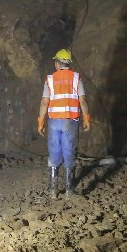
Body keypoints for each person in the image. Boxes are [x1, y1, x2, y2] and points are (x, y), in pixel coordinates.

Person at [37, 49, 91, 198]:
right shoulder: (76, 79)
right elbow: (83, 101)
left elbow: (44, 102)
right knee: (69, 152)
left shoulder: (50, 79)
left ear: (57, 63)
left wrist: (41, 122)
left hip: (54, 122)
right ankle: (69, 191)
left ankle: (53, 191)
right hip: (70, 122)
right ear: (68, 64)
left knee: (54, 153)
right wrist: (86, 118)